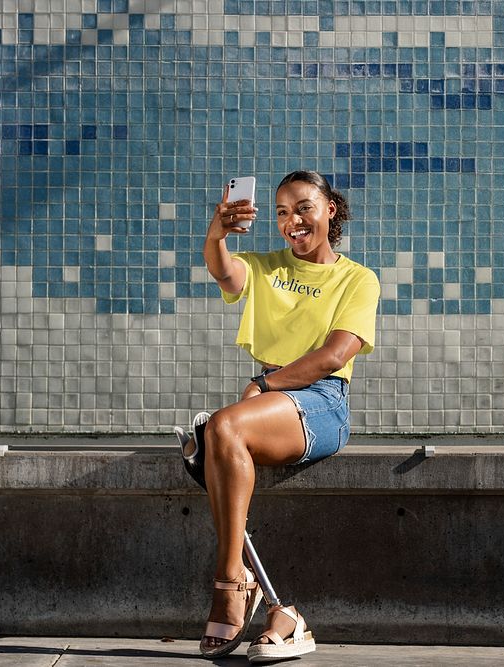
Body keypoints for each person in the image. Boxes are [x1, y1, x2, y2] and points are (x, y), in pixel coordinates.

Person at [175, 170, 380, 661]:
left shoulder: (357, 278)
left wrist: (264, 384)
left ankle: (229, 586)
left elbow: (334, 356)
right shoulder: (266, 267)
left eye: (304, 207)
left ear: (330, 209)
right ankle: (281, 612)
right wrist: (216, 234)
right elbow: (225, 272)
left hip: (322, 401)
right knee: (223, 432)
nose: (293, 221)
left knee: (222, 426)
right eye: (283, 212)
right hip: (269, 401)